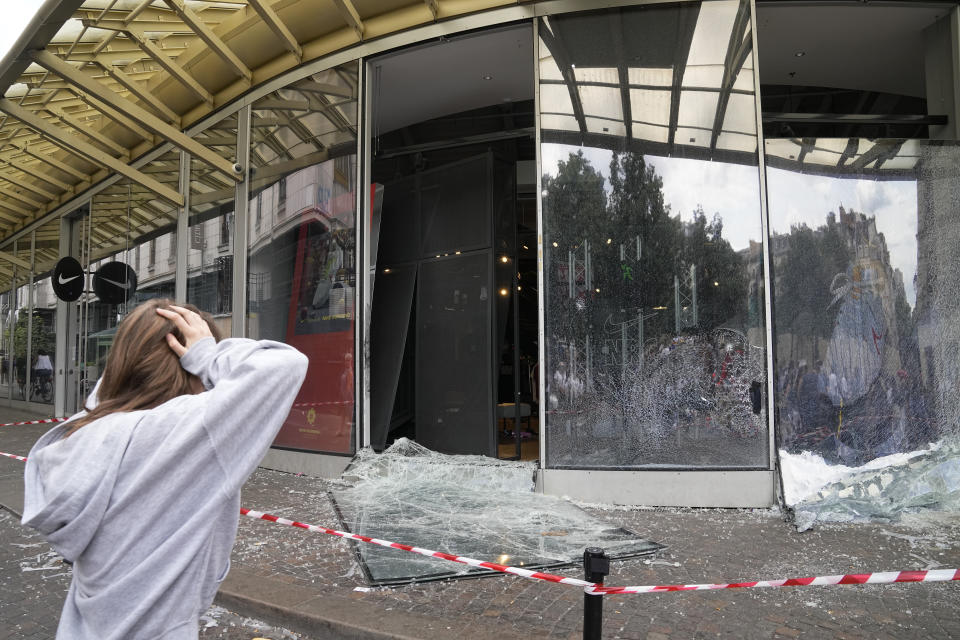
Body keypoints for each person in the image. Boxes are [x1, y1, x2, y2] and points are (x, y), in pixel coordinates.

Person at [21, 299, 308, 639]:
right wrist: (206, 354)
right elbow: (286, 363)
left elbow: (111, 391)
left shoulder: (83, 432)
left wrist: (137, 341)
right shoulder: (180, 432)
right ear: (185, 366)